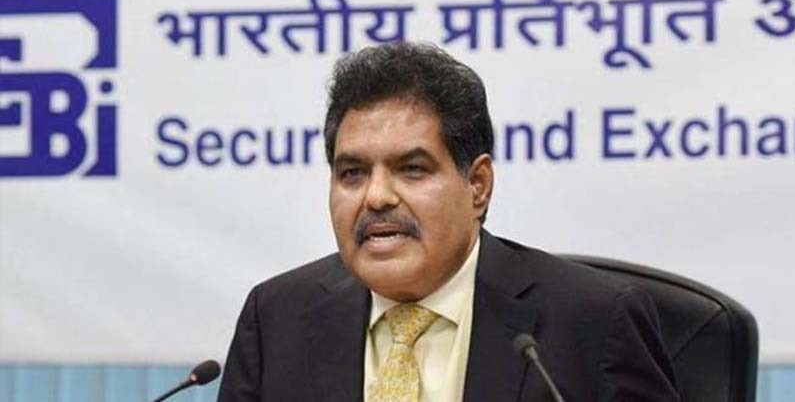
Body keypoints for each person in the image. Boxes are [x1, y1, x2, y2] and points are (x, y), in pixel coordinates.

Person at [218, 42, 679, 402]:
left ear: (477, 185)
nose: (376, 196)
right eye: (352, 173)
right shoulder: (277, 320)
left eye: (411, 169)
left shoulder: (592, 323)